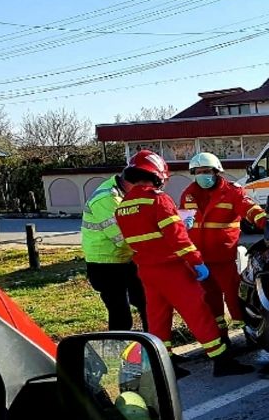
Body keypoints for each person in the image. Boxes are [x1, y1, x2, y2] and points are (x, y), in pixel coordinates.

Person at [114, 150, 252, 378]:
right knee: (198, 313)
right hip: (172, 270)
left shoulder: (122, 207)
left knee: (158, 318)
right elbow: (178, 238)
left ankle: (164, 367)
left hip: (147, 272)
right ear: (157, 175)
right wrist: (196, 262)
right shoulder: (158, 200)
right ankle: (221, 360)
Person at [180, 152, 266, 341]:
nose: (203, 175)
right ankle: (220, 337)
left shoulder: (232, 192)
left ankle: (248, 334)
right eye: (199, 172)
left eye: (207, 171)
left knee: (234, 297)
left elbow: (250, 209)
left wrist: (266, 224)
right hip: (199, 260)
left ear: (217, 171)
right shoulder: (189, 194)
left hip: (223, 257)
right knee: (210, 301)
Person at [81, 171, 148, 331]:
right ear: (134, 180)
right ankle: (118, 350)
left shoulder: (126, 193)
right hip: (105, 264)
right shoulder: (106, 198)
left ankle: (154, 350)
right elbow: (121, 238)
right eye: (144, 185)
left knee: (147, 303)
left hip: (127, 259)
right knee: (120, 313)